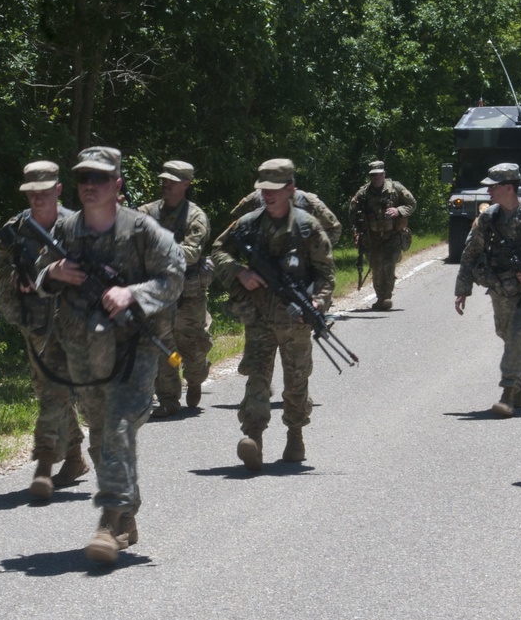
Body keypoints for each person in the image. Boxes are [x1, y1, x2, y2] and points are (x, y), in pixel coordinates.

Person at [36, 146, 185, 564]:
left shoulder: (142, 230)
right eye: (84, 178)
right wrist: (53, 274)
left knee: (119, 428)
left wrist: (132, 292)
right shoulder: (65, 230)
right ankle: (126, 514)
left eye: (100, 178)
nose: (90, 186)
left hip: (134, 349)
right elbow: (38, 277)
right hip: (84, 349)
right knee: (102, 436)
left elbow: (174, 277)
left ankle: (108, 520)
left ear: (117, 184)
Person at [211, 158, 335, 471]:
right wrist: (239, 272)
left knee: (296, 381)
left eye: (274, 189)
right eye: (263, 188)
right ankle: (254, 439)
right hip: (258, 316)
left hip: (296, 320)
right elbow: (218, 250)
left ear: (290, 189)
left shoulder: (308, 226)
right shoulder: (248, 223)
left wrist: (318, 303)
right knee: (257, 378)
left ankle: (295, 434)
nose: (267, 194)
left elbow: (326, 273)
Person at [0, 161, 88, 500]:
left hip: (77, 322)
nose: (37, 200)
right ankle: (60, 459)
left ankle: (90, 459)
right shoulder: (15, 229)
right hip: (38, 324)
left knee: (86, 395)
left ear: (57, 190)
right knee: (49, 390)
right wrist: (13, 277)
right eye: (31, 194)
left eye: (44, 193)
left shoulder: (78, 226)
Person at [454, 163, 521, 417]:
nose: (488, 191)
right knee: (506, 335)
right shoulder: (488, 217)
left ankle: (507, 394)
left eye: (492, 186)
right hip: (499, 289)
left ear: (508, 187)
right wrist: (463, 289)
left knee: (516, 336)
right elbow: (471, 252)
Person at [139, 160, 213, 416]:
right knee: (163, 344)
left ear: (186, 184)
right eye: (164, 179)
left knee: (191, 348)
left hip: (189, 293)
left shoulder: (195, 217)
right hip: (159, 291)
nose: (165, 184)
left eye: (172, 180)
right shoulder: (147, 212)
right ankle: (169, 399)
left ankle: (195, 378)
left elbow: (192, 253)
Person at [349, 160, 417, 310]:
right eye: (373, 176)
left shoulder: (396, 189)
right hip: (372, 237)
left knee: (389, 265)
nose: (376, 178)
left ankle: (386, 296)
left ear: (384, 174)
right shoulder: (363, 193)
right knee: (376, 267)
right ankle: (380, 297)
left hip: (392, 235)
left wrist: (398, 211)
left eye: (379, 175)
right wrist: (356, 234)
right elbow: (353, 215)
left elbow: (412, 204)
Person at [230, 178, 342, 246]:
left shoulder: (309, 202)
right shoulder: (256, 198)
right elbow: (235, 225)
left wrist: (315, 250)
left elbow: (334, 228)